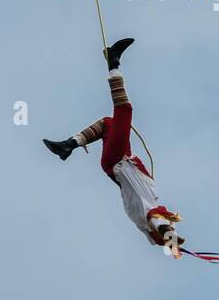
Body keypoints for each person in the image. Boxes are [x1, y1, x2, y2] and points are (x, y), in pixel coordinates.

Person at [42, 38, 185, 250]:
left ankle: (113, 63)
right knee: (108, 123)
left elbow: (158, 222)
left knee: (124, 109)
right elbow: (160, 225)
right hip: (119, 162)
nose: (170, 225)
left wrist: (171, 238)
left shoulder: (147, 212)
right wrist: (172, 240)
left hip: (117, 161)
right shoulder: (145, 211)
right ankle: (68, 145)